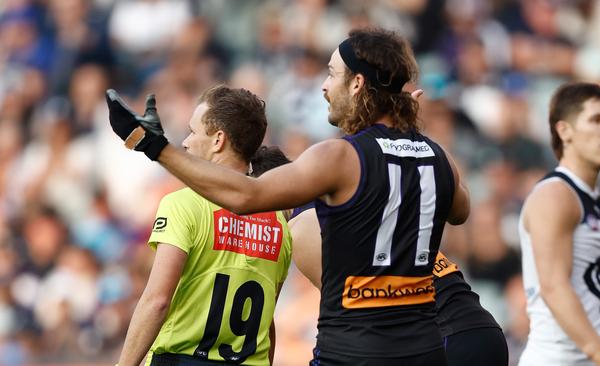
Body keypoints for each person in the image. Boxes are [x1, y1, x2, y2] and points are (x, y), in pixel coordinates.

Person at [107, 27, 470, 365]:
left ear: (358, 83)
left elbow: (247, 196)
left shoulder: (340, 157)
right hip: (424, 349)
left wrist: (156, 147)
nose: (325, 87)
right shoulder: (437, 158)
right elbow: (460, 210)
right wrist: (412, 132)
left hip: (353, 348)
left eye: (331, 74)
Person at [112, 85, 292, 366]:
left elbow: (157, 301)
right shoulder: (280, 222)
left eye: (193, 132)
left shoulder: (183, 204)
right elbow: (266, 324)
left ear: (218, 140)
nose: (184, 142)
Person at [289, 206, 508, 366]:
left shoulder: (304, 223)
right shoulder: (380, 215)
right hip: (484, 330)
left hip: (444, 339)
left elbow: (348, 329)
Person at [518, 82, 600, 366]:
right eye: (597, 119)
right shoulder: (555, 195)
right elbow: (553, 286)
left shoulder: (592, 198)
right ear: (564, 130)